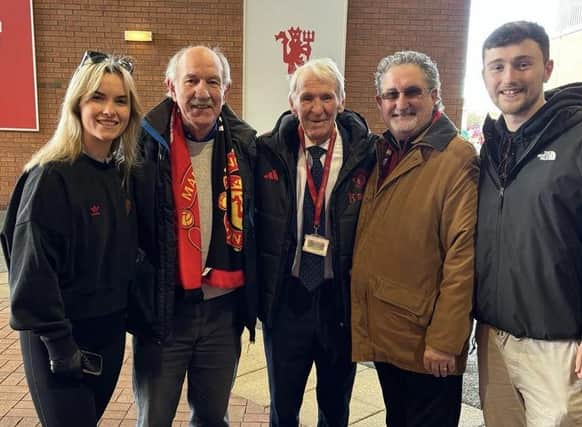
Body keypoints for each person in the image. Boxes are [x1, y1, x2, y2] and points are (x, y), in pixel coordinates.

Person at [475, 21, 582, 426]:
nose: (509, 78)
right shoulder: (492, 149)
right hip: (494, 337)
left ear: (547, 68)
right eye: (497, 67)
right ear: (484, 76)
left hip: (562, 346)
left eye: (522, 64)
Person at [0, 51, 141, 426]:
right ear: (77, 104)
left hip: (107, 336)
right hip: (59, 339)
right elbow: (31, 272)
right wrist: (60, 344)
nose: (110, 109)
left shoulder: (120, 176)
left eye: (120, 100)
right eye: (98, 97)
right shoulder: (50, 176)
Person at [128, 45, 257, 427]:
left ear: (226, 89)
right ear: (171, 86)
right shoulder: (142, 144)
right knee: (154, 418)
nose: (203, 91)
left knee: (212, 418)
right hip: (165, 311)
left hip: (223, 310)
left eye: (212, 81)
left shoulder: (246, 146)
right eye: (192, 80)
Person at [350, 50, 478, 427]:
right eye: (391, 95)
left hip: (428, 342)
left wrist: (445, 340)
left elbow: (463, 256)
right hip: (393, 333)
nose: (401, 104)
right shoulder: (382, 151)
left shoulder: (455, 158)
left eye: (412, 92)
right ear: (379, 102)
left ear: (434, 95)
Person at [255, 57, 376, 427]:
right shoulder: (266, 152)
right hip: (287, 299)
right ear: (292, 103)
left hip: (338, 301)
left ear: (342, 100)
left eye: (327, 97)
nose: (317, 108)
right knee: (283, 407)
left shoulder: (367, 155)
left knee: (336, 407)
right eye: (307, 98)